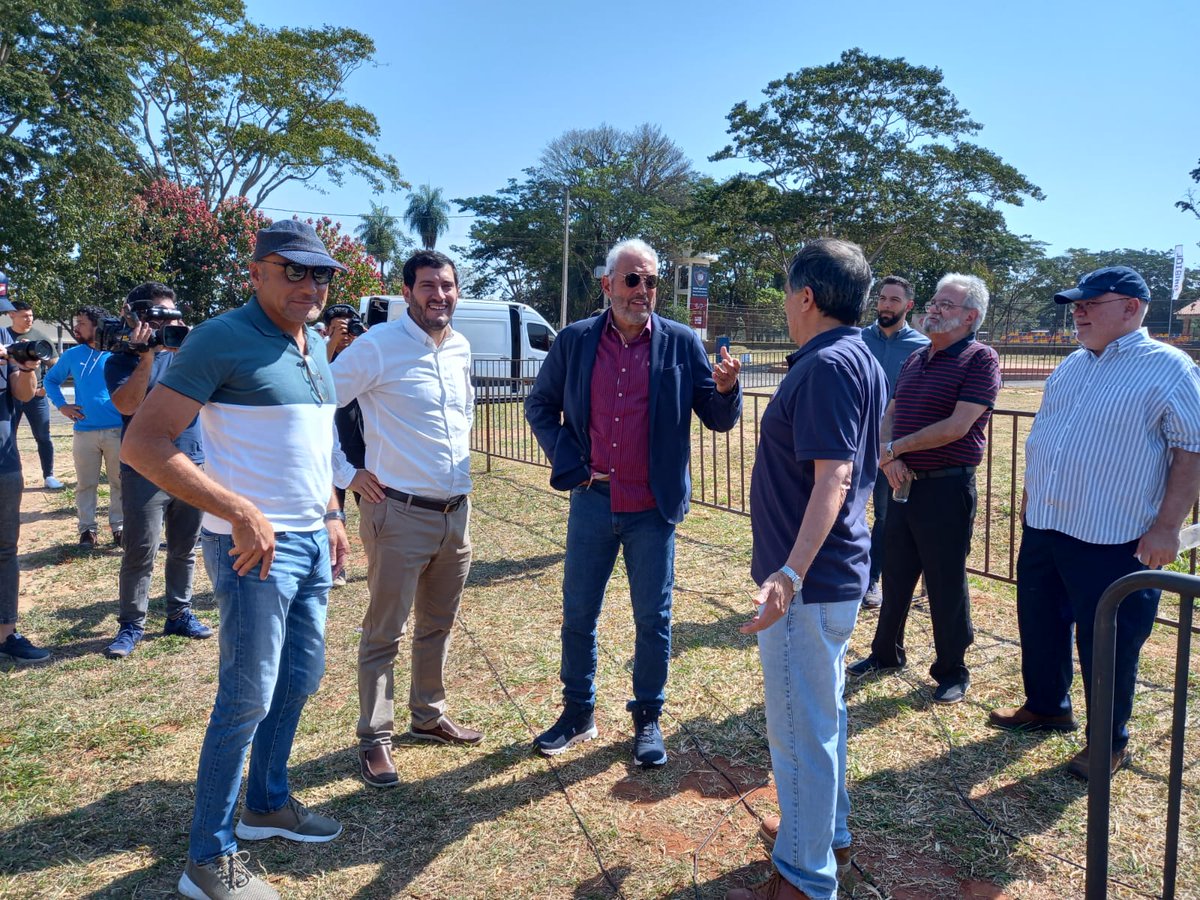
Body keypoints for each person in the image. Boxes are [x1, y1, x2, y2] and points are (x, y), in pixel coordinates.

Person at [122, 219, 349, 900]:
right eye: (294, 270)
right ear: (256, 272)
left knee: (300, 678)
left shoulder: (311, 344)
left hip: (309, 541)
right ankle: (208, 857)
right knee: (245, 696)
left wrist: (333, 514)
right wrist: (243, 512)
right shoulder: (223, 337)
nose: (311, 285)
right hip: (251, 547)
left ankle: (266, 803)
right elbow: (144, 443)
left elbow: (311, 446)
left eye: (321, 274)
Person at [525, 238, 742, 768]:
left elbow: (716, 417)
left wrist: (729, 389)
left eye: (650, 281)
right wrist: (569, 462)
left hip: (652, 508)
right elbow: (540, 403)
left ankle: (647, 715)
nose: (642, 290)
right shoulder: (575, 341)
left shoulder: (681, 342)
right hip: (593, 502)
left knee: (654, 618)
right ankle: (578, 711)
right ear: (607, 285)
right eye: (631, 280)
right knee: (579, 613)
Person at [989, 266, 1200, 780]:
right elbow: (1050, 437)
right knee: (1039, 622)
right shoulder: (1073, 364)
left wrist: (1168, 528)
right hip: (1048, 523)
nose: (1076, 312)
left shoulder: (1169, 368)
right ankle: (1047, 706)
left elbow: (1191, 449)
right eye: (1075, 304)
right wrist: (1030, 496)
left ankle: (1108, 742)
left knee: (1108, 641)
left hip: (1115, 535)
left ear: (1131, 307)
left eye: (1089, 303)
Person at [730, 239, 886, 900]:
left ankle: (802, 877)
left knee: (799, 730)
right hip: (831, 576)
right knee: (821, 718)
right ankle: (826, 833)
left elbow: (835, 478)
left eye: (786, 296)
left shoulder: (826, 366)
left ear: (807, 297)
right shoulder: (857, 357)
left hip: (812, 584)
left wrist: (788, 575)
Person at [330, 250, 482, 791]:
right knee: (384, 631)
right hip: (397, 513)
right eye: (427, 286)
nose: (438, 295)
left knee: (438, 623)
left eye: (446, 286)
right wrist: (346, 471)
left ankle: (428, 714)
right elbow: (316, 402)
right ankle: (375, 737)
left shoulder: (461, 347)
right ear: (407, 293)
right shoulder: (376, 347)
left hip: (455, 514)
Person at [848, 274, 1000, 705]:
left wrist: (894, 448)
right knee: (895, 573)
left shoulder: (979, 359)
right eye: (934, 302)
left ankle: (952, 668)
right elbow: (891, 411)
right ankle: (885, 653)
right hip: (903, 484)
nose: (934, 308)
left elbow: (957, 426)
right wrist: (889, 455)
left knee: (944, 580)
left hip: (946, 490)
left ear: (970, 316)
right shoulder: (917, 358)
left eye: (946, 304)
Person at [101, 284, 211, 658]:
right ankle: (132, 624)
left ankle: (179, 614)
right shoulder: (121, 360)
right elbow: (127, 404)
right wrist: (146, 357)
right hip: (144, 468)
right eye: (159, 315)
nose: (169, 322)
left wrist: (191, 348)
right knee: (140, 550)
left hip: (191, 462)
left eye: (173, 314)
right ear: (138, 318)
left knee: (185, 547)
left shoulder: (191, 354)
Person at [858, 276, 929, 608]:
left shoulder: (921, 347)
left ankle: (873, 581)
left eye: (894, 300)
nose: (886, 305)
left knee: (886, 517)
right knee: (846, 510)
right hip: (854, 444)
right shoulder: (859, 340)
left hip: (892, 450)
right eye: (882, 298)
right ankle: (846, 574)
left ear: (908, 305)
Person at [44, 305, 125, 547]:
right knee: (86, 484)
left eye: (81, 322)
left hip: (118, 430)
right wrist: (62, 406)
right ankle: (87, 530)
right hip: (84, 432)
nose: (76, 327)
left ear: (97, 327)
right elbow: (50, 379)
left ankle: (119, 528)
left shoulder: (119, 354)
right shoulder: (72, 355)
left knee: (119, 482)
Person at [0, 293, 51, 665]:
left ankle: (6, 633)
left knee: (5, 550)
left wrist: (26, 366)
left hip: (5, 463)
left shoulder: (8, 345)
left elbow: (22, 395)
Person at [323, 303, 367, 588]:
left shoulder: (364, 351)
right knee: (334, 511)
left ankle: (379, 557)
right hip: (330, 441)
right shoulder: (318, 351)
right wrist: (332, 343)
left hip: (362, 440)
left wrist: (361, 341)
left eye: (349, 326)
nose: (346, 332)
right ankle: (336, 567)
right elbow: (315, 379)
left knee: (372, 505)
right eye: (339, 326)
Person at [3, 299, 63, 489]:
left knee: (43, 436)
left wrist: (45, 387)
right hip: (8, 397)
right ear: (11, 315)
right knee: (9, 437)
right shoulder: (3, 336)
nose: (30, 319)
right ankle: (15, 474)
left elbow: (57, 366)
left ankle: (49, 475)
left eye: (31, 315)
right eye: (25, 316)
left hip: (35, 396)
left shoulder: (39, 336)